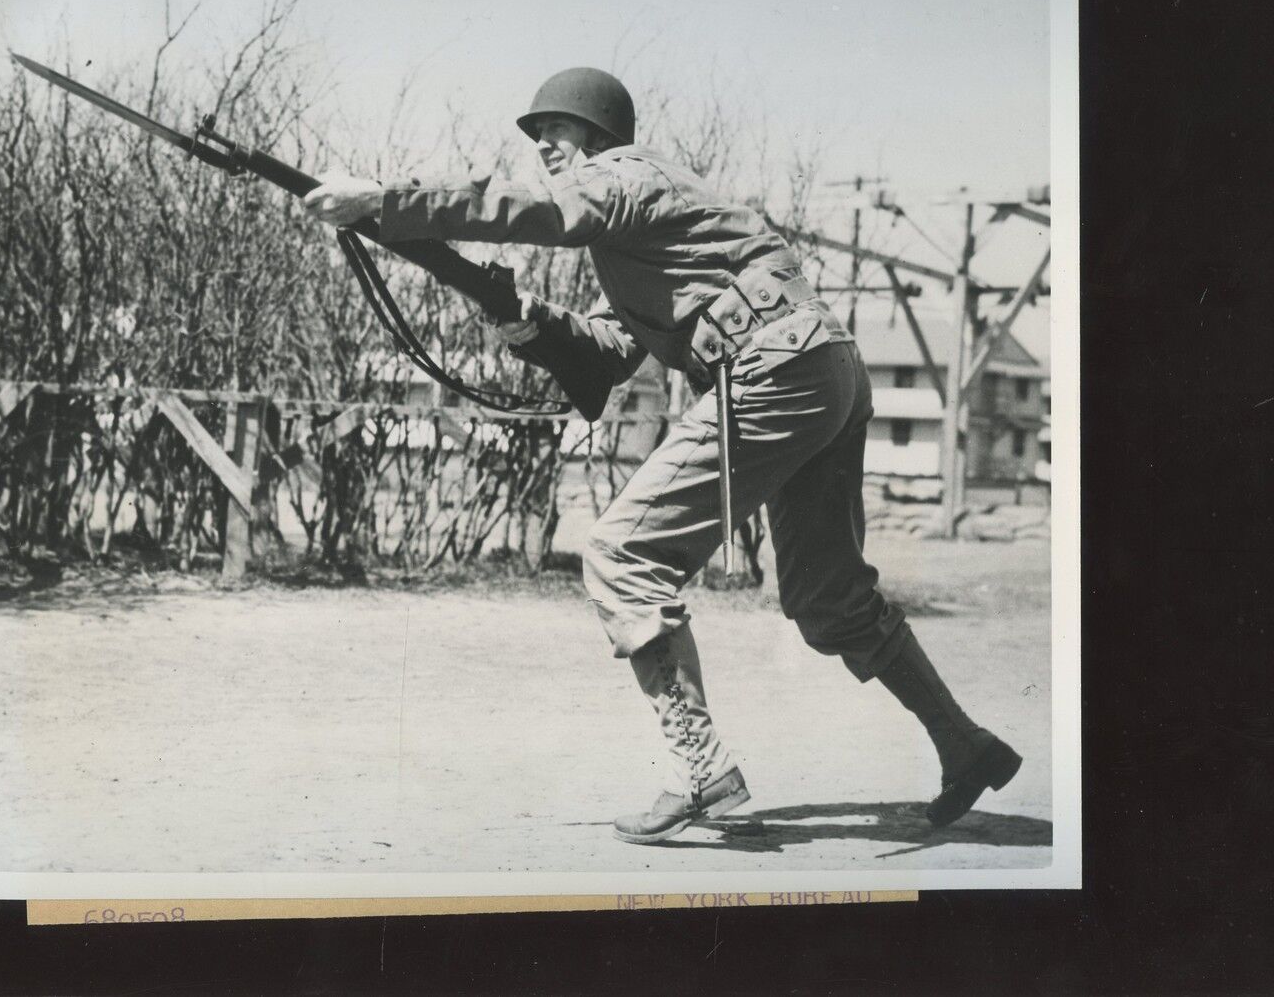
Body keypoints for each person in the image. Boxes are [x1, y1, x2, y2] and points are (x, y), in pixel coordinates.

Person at [305, 67, 1021, 844]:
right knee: (827, 599)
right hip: (821, 367)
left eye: (557, 128)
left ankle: (702, 771)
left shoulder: (622, 178)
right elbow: (615, 347)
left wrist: (385, 202)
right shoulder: (638, 234)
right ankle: (964, 743)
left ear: (600, 135)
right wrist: (524, 317)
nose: (542, 143)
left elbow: (531, 209)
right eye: (536, 133)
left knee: (619, 555)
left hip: (772, 364)